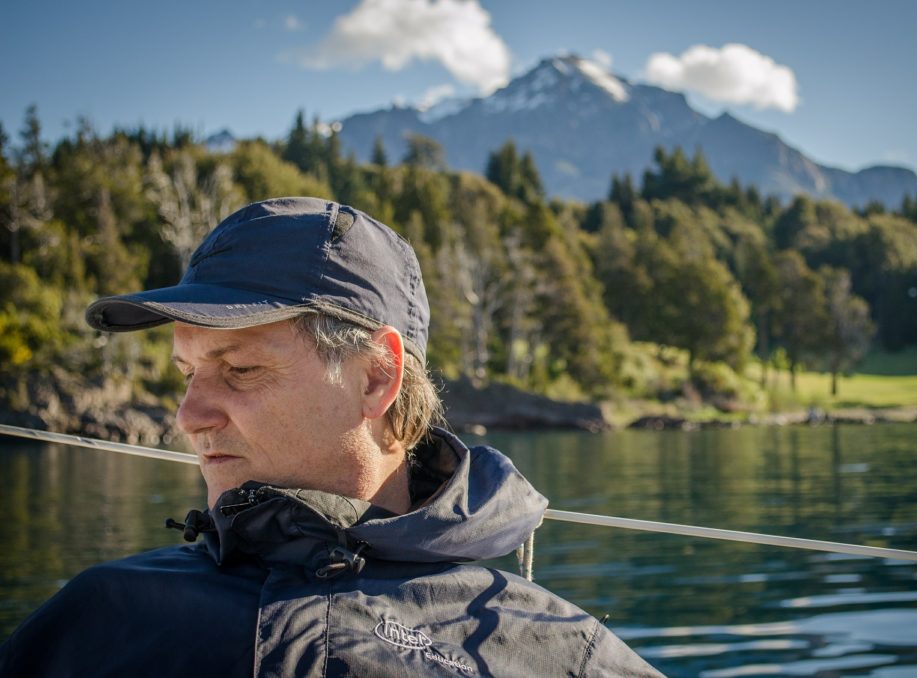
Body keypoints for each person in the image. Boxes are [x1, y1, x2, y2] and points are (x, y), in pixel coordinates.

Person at [0, 197, 662, 677]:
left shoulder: (559, 656)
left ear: (376, 377)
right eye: (187, 375)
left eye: (241, 370)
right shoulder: (98, 617)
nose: (189, 415)